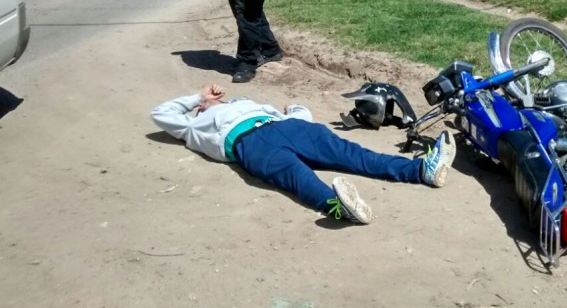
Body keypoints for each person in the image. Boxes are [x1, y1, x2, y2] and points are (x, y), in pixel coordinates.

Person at [150, 84, 456, 225]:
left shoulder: (247, 104)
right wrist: (197, 99)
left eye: (207, 102)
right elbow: (161, 112)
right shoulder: (192, 126)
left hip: (286, 125)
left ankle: (420, 172)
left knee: (353, 155)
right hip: (248, 143)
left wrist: (294, 110)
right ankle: (341, 209)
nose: (206, 104)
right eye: (202, 105)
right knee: (296, 179)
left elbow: (301, 114)